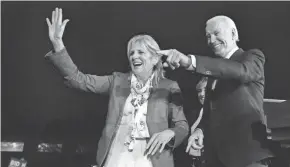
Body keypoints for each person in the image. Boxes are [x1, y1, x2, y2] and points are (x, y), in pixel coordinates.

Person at [44, 8, 189, 167]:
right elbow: (79, 80)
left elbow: (182, 125)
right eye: (131, 53)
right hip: (117, 156)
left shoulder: (170, 87)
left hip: (153, 158)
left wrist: (170, 133)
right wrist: (58, 43)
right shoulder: (117, 81)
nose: (134, 56)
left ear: (155, 59)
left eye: (141, 52)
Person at [157, 15, 273, 167]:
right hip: (217, 159)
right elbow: (208, 113)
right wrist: (199, 131)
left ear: (233, 34)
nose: (211, 40)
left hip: (248, 157)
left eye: (217, 33)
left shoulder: (252, 57)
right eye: (208, 36)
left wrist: (188, 61)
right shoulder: (211, 75)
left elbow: (241, 72)